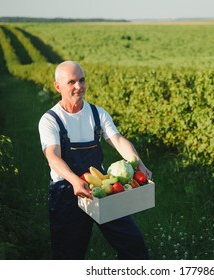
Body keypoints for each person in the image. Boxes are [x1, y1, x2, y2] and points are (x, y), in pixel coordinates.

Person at [38, 61, 152, 260]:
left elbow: (117, 140)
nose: (78, 86)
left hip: (102, 189)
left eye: (82, 80)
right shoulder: (50, 120)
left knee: (133, 247)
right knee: (69, 255)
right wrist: (74, 180)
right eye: (71, 82)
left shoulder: (97, 114)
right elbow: (52, 156)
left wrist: (138, 163)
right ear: (58, 86)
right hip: (66, 193)